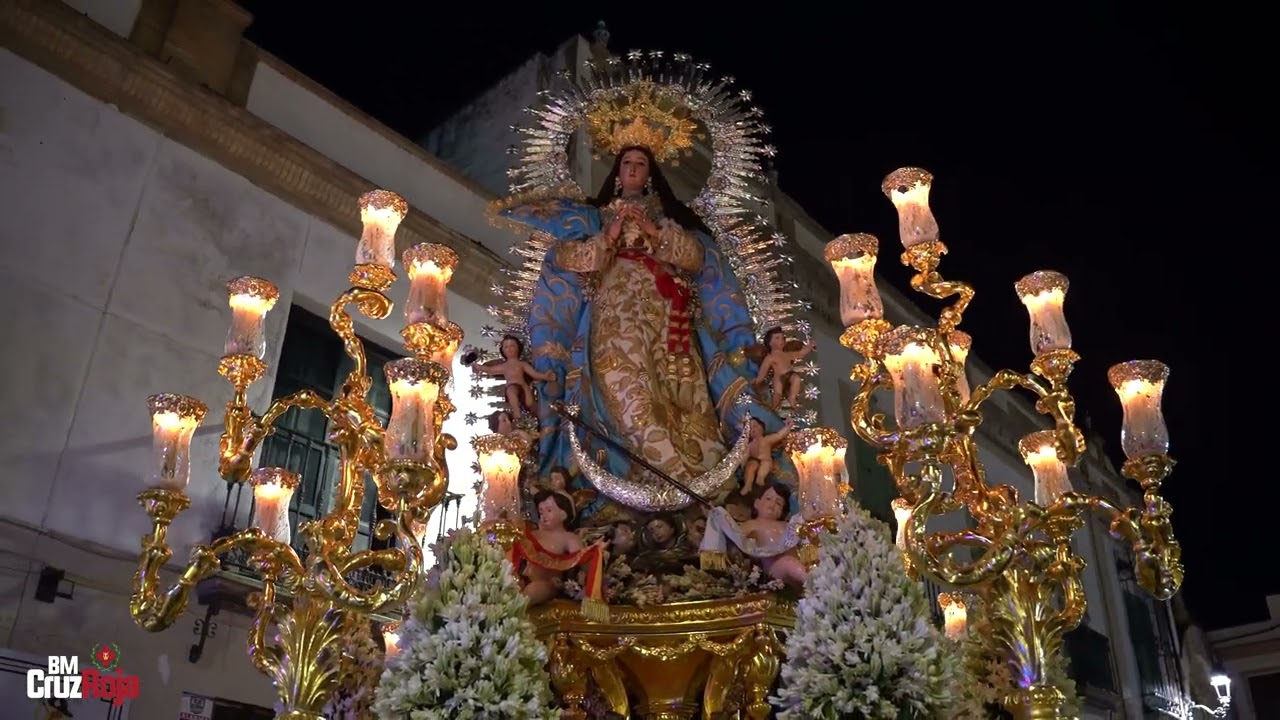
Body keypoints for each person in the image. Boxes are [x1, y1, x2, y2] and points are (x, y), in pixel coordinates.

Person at [494, 144, 796, 520]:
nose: (633, 169)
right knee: (621, 380)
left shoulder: (668, 216)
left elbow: (697, 257)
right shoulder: (595, 218)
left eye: (641, 163)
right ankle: (641, 477)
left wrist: (655, 233)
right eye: (627, 163)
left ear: (650, 173)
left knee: (677, 388)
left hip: (666, 311)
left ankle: (688, 478)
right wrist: (608, 237)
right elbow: (570, 258)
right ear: (617, 172)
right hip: (614, 310)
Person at [472, 335, 554, 417]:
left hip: (523, 385)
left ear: (518, 348)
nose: (509, 349)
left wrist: (545, 376)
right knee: (511, 392)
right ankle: (517, 414)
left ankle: (541, 416)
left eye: (512, 346)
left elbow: (533, 374)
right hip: (511, 385)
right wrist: (477, 366)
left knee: (530, 403)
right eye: (506, 347)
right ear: (503, 350)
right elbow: (490, 370)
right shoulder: (504, 366)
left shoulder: (522, 364)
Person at [754, 327, 816, 410]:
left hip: (789, 375)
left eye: (783, 338)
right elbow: (764, 368)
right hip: (778, 377)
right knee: (777, 394)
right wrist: (759, 379)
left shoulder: (787, 354)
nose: (781, 340)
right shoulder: (770, 357)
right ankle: (774, 409)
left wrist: (809, 346)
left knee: (796, 378)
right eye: (777, 338)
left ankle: (792, 397)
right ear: (770, 342)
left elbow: (800, 354)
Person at [742, 417, 792, 496]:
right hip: (754, 461)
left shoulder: (766, 439)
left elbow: (779, 435)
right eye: (749, 429)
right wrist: (743, 464)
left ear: (761, 427)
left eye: (754, 426)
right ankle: (748, 485)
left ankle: (760, 479)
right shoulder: (750, 445)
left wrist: (788, 427)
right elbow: (745, 455)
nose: (752, 429)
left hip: (765, 461)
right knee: (750, 466)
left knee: (765, 465)